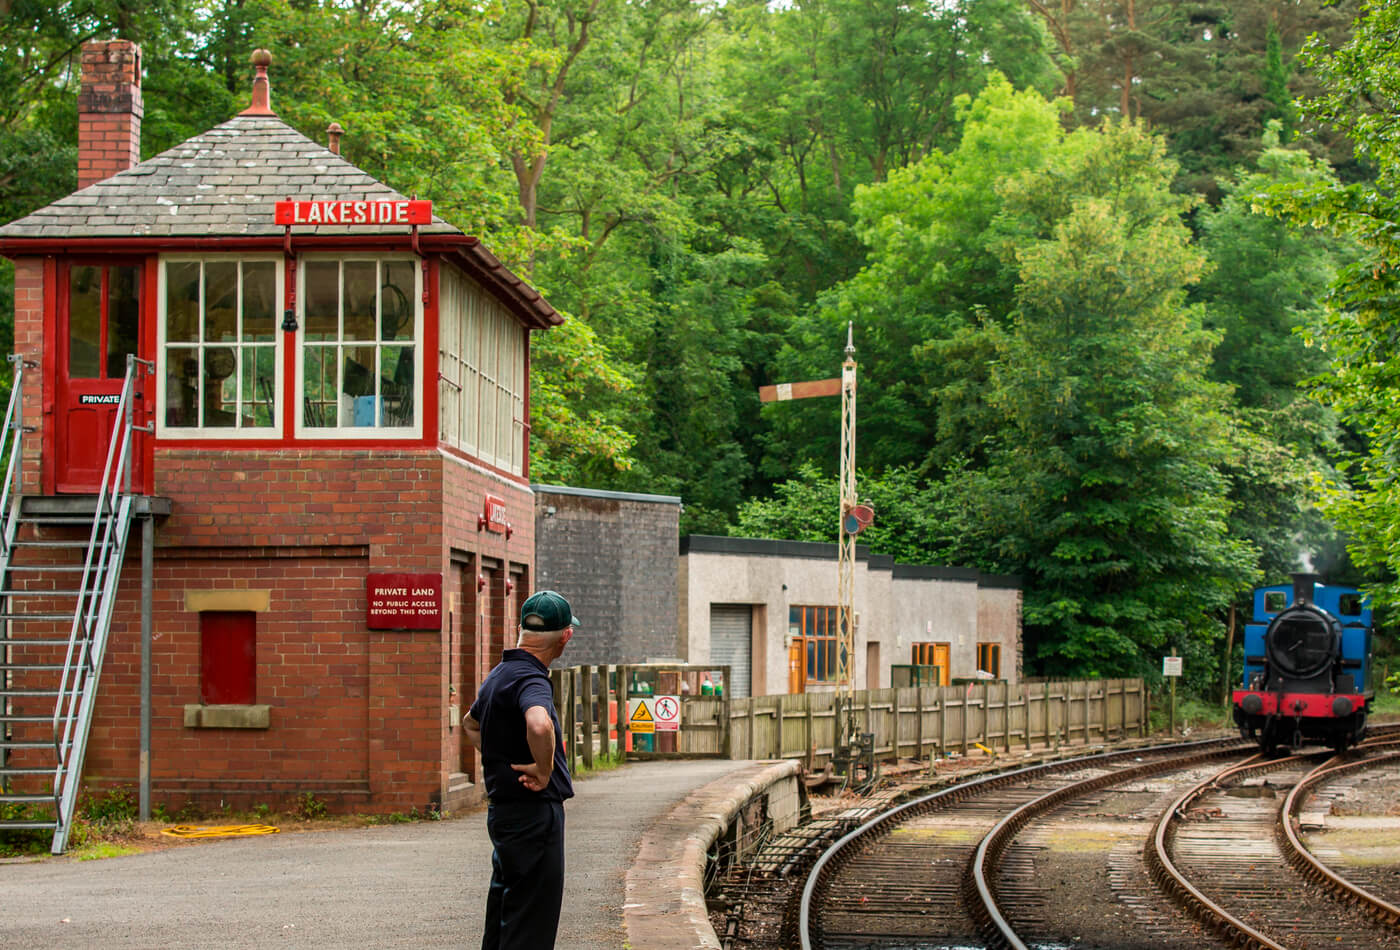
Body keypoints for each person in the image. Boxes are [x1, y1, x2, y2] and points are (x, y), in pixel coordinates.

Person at [463, 590, 578, 950]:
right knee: (531, 924)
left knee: (505, 914)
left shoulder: (499, 674)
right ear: (565, 637)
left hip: (505, 814)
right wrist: (542, 771)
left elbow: (470, 724)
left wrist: (500, 755)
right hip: (534, 816)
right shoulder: (532, 679)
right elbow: (540, 724)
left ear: (519, 629)